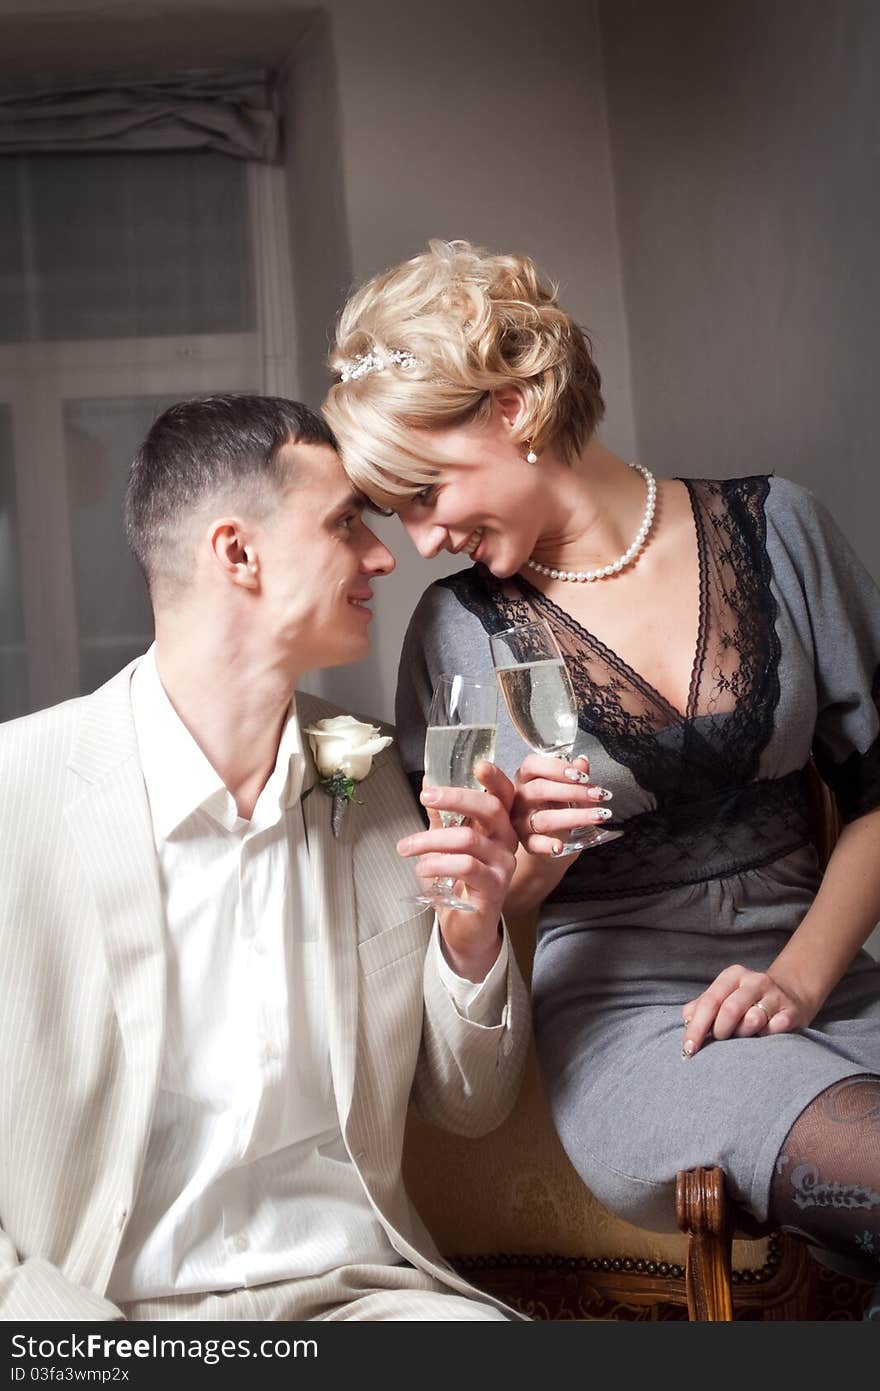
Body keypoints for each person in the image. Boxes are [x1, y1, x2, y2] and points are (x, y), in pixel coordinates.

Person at [322, 239, 880, 1306]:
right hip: (642, 1031)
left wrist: (799, 976)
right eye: (400, 509)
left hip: (827, 983)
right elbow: (467, 899)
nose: (423, 535)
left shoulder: (781, 528)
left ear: (517, 406)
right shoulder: (457, 630)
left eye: (426, 489)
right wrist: (517, 869)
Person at [0, 393, 530, 1323]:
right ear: (237, 553)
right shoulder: (18, 791)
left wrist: (470, 933)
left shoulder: (366, 770)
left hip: (359, 1299)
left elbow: (471, 1107)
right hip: (94, 1312)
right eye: (344, 525)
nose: (382, 554)